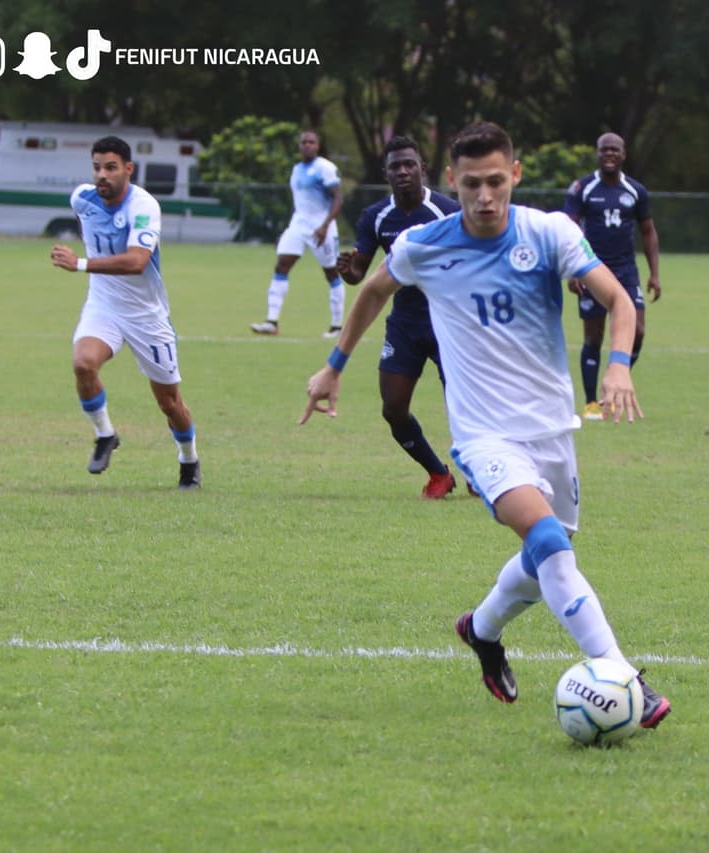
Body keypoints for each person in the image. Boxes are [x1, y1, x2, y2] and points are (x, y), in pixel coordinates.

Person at [302, 122, 671, 729]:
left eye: (496, 181)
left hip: (551, 428)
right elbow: (372, 291)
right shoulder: (424, 243)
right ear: (452, 181)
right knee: (549, 542)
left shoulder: (548, 231)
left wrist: (620, 367)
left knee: (548, 554)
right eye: (471, 184)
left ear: (515, 176)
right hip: (483, 437)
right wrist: (334, 366)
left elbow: (620, 301)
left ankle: (481, 629)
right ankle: (621, 674)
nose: (484, 196)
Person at [49, 135, 201, 490]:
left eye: (111, 168)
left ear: (128, 170)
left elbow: (137, 261)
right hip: (103, 305)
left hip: (146, 315)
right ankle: (105, 435)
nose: (102, 175)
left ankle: (189, 459)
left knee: (169, 402)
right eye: (97, 167)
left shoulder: (144, 207)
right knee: (83, 363)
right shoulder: (81, 199)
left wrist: (81, 263)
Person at [336, 136, 465, 499]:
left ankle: (479, 470)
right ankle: (438, 473)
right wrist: (347, 270)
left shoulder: (447, 211)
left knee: (463, 407)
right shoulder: (376, 216)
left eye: (410, 164)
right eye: (395, 166)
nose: (403, 171)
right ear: (386, 173)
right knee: (393, 409)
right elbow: (361, 273)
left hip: (448, 323)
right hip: (405, 323)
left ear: (423, 168)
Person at [563, 132, 661, 420]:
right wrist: (573, 269)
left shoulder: (636, 191)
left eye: (615, 150)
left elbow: (648, 232)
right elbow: (569, 229)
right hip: (591, 268)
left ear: (623, 154)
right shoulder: (582, 187)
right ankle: (592, 402)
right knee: (593, 335)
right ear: (598, 153)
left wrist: (655, 274)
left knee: (638, 330)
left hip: (626, 271)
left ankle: (617, 382)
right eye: (604, 149)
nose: (609, 154)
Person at [251, 129, 347, 338]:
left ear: (318, 145)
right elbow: (300, 203)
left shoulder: (326, 168)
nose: (307, 145)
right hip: (298, 225)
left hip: (322, 227)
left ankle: (337, 326)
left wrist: (324, 226)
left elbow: (338, 199)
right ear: (299, 145)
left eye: (311, 142)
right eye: (304, 142)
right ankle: (271, 322)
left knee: (331, 273)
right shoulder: (296, 169)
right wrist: (287, 231)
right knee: (281, 265)